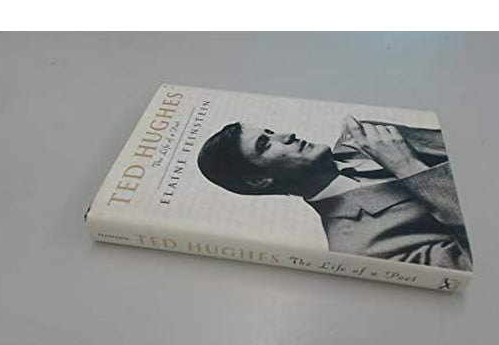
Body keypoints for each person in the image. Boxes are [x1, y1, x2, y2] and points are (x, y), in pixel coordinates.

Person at [197, 116, 472, 271]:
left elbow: (466, 141)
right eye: (265, 144)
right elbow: (473, 265)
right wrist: (406, 166)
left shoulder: (361, 137)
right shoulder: (360, 249)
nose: (287, 134)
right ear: (259, 180)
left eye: (271, 131)